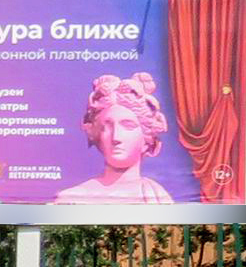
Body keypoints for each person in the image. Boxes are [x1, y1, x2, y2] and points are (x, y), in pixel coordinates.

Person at [56, 71, 180, 205]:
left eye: (128, 126)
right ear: (97, 136)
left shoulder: (158, 197)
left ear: (146, 139)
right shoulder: (72, 198)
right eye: (107, 127)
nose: (116, 137)